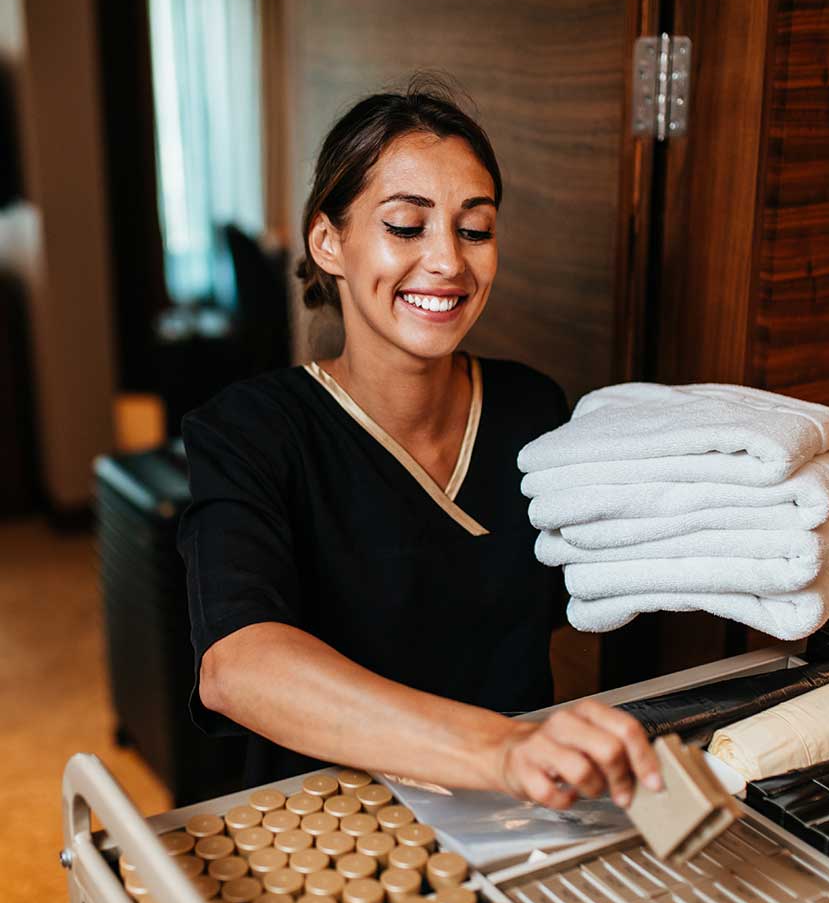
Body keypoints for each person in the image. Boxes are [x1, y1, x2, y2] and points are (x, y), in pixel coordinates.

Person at [177, 77, 662, 810]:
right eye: (407, 226)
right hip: (325, 826)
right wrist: (498, 748)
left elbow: (583, 592)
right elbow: (237, 666)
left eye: (475, 229)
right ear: (328, 241)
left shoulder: (530, 406)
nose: (448, 262)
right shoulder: (250, 432)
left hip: (519, 807)